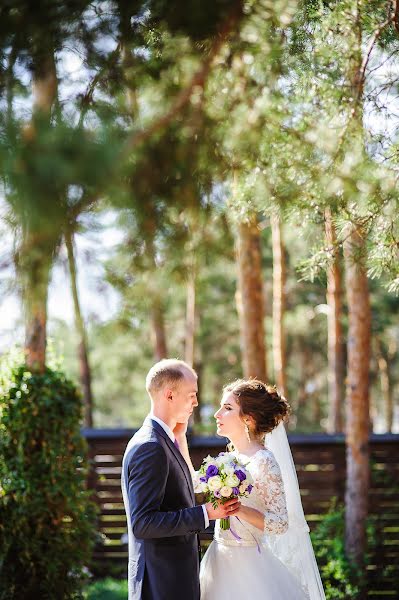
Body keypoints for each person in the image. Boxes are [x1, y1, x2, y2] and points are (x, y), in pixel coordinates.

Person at [121, 359, 240, 600]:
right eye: (191, 394)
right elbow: (143, 523)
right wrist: (205, 513)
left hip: (173, 577)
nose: (196, 402)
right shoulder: (151, 446)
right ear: (169, 395)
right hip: (161, 583)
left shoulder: (166, 440)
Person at [199, 379, 325, 600]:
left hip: (249, 566)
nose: (217, 414)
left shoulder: (264, 461)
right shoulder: (229, 458)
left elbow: (279, 523)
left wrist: (238, 509)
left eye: (227, 408)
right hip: (219, 558)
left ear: (248, 419)